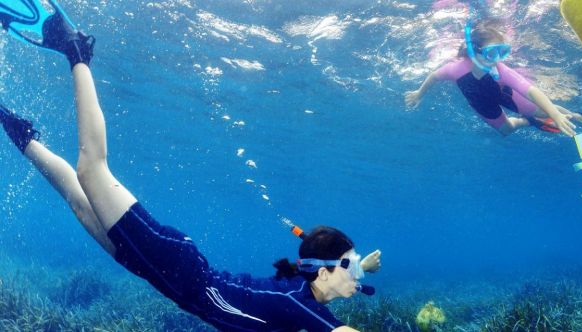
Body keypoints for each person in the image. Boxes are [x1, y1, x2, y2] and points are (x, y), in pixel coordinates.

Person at [1, 6, 380, 332]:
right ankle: (76, 51)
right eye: (349, 265)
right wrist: (350, 268)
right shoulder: (299, 303)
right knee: (92, 169)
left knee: (80, 202)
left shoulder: (306, 284)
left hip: (167, 276)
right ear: (326, 270)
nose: (357, 276)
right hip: (177, 267)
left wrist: (358, 265)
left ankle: (20, 132)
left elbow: (326, 273)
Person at [405, 21, 582, 137]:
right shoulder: (455, 70)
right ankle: (528, 121)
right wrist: (418, 93)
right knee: (506, 130)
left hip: (505, 94)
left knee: (541, 110)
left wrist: (555, 115)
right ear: (474, 52)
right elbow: (434, 76)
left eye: (502, 52)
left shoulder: (500, 70)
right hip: (481, 102)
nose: (497, 59)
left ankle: (572, 117)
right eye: (492, 53)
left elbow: (531, 91)